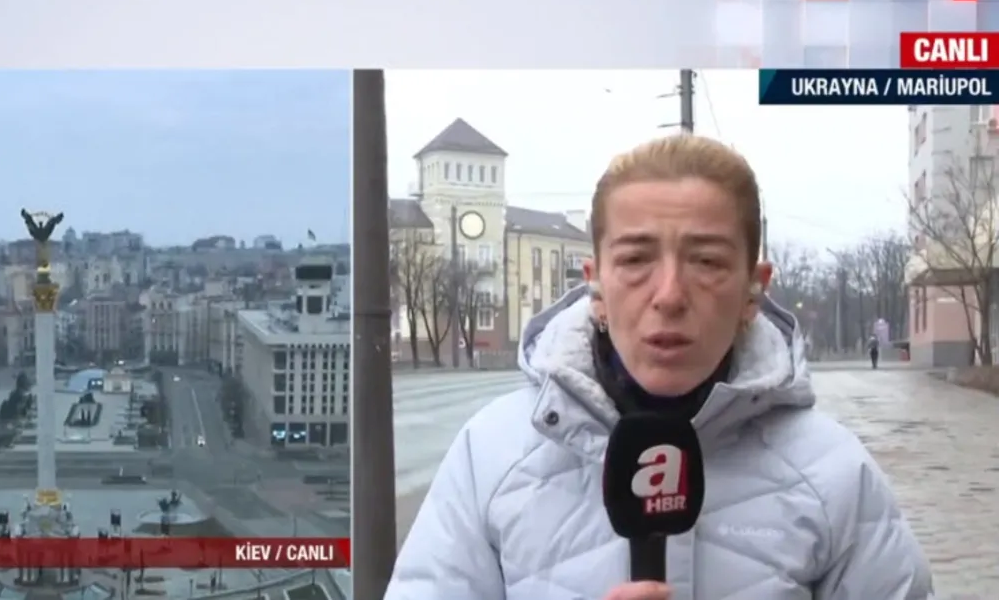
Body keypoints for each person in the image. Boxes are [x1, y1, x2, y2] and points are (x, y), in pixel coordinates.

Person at [384, 135, 932, 600]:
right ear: (596, 286)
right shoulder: (492, 457)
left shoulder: (833, 474)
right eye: (635, 260)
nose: (669, 295)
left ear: (753, 290)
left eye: (707, 261)